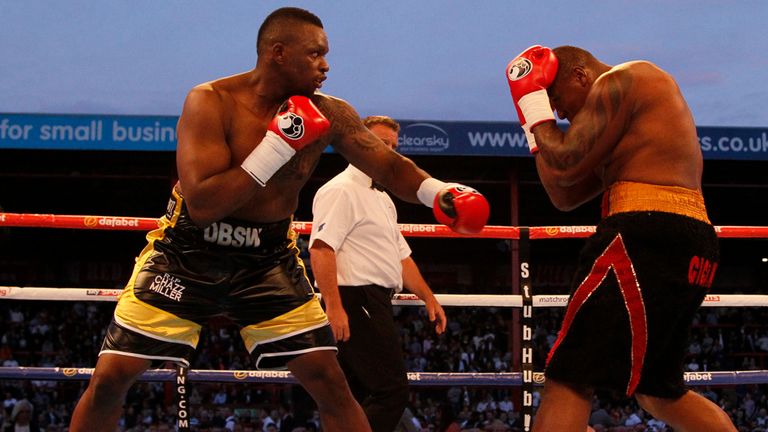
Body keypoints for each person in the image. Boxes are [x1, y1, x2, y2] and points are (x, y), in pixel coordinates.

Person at [69, 7, 489, 432]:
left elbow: (390, 166)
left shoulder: (331, 113)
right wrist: (278, 145)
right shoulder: (211, 101)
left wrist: (440, 192)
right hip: (188, 254)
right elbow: (203, 203)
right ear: (278, 53)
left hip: (267, 260)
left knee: (331, 382)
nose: (326, 65)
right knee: (110, 378)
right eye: (315, 54)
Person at [505, 45, 736, 431]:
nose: (558, 113)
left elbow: (562, 163)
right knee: (659, 390)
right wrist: (533, 126)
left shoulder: (625, 78)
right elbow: (563, 194)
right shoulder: (627, 128)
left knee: (568, 375)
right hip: (687, 241)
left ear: (580, 75)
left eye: (557, 99)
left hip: (646, 233)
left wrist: (532, 104)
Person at [308, 115, 447, 431]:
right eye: (381, 143)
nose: (390, 151)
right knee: (390, 390)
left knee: (356, 394)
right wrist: (334, 305)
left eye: (394, 146)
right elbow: (321, 249)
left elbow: (401, 256)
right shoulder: (340, 190)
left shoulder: (384, 198)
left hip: (374, 301)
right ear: (360, 145)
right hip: (355, 298)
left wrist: (429, 298)